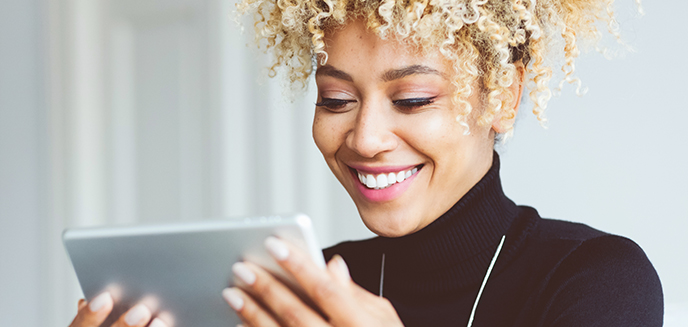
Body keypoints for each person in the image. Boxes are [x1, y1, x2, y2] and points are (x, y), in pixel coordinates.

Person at [68, 0, 663, 326]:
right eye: (337, 100)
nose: (366, 137)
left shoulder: (597, 280)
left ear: (502, 95)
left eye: (411, 100)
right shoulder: (306, 292)